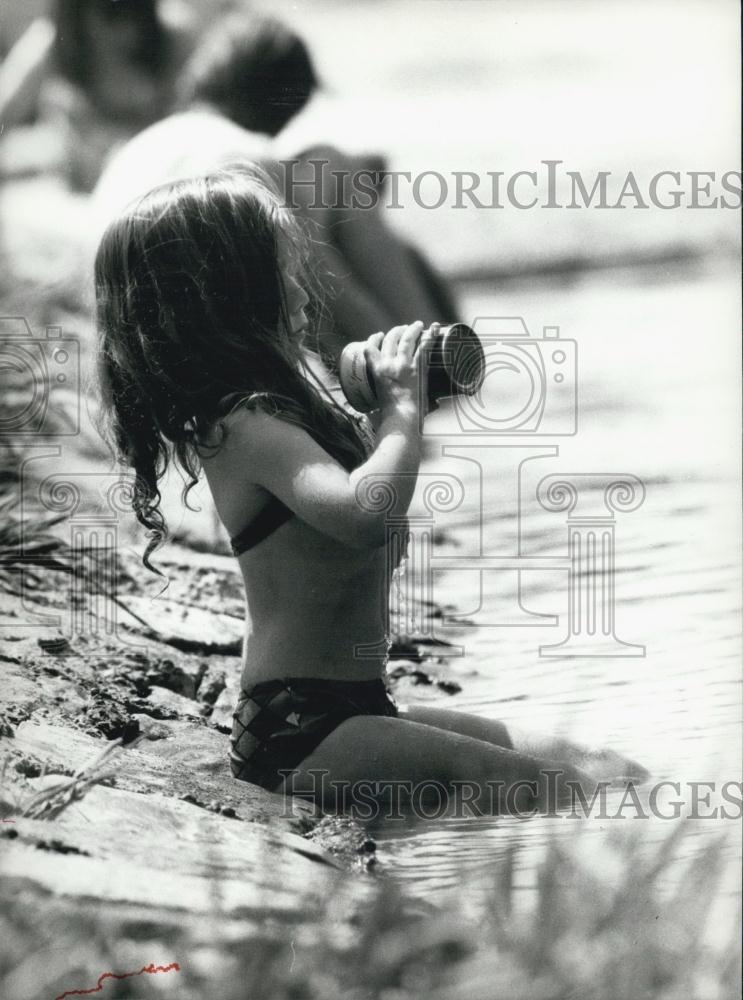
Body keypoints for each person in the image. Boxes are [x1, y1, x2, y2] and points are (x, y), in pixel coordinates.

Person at [94, 167, 647, 815]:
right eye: (283, 270)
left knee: (602, 768)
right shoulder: (242, 426)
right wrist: (401, 412)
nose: (303, 285)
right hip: (297, 728)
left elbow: (379, 539)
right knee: (531, 783)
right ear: (231, 295)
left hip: (361, 705)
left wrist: (388, 417)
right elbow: (364, 514)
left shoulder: (294, 414)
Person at [92, 12, 457, 364]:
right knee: (333, 166)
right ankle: (432, 353)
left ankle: (429, 345)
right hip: (205, 342)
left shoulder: (141, 147)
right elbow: (326, 291)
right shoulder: (246, 154)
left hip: (130, 339)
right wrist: (396, 357)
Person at [0, 0, 195, 189]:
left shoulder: (174, 34)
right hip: (75, 189)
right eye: (108, 11)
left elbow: (197, 120)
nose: (121, 31)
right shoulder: (53, 41)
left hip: (155, 178)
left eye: (129, 9)